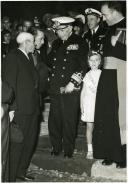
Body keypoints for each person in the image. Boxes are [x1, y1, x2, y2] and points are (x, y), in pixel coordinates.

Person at [47, 16, 88, 158]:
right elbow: (50, 63)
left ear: (70, 28)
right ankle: (56, 147)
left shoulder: (80, 42)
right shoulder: (57, 43)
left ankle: (68, 150)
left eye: (61, 30)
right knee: (55, 119)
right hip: (55, 87)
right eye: (57, 30)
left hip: (70, 87)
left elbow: (84, 65)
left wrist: (73, 82)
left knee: (69, 120)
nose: (58, 32)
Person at [2, 32, 40, 181]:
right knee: (17, 144)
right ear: (25, 42)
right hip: (20, 109)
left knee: (29, 142)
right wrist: (11, 108)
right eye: (32, 42)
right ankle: (10, 176)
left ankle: (20, 172)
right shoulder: (13, 57)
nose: (35, 45)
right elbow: (9, 84)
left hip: (32, 107)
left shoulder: (29, 57)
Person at [81, 50, 123, 167]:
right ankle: (90, 149)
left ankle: (103, 149)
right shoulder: (87, 75)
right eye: (91, 60)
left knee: (102, 128)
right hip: (89, 104)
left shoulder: (103, 73)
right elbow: (83, 91)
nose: (94, 62)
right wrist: (82, 105)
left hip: (100, 104)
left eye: (96, 60)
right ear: (88, 62)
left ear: (100, 62)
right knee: (90, 127)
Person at [101, 1, 126, 168]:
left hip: (123, 74)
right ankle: (111, 152)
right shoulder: (108, 28)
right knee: (108, 114)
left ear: (115, 11)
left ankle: (124, 155)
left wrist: (114, 44)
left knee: (123, 115)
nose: (103, 18)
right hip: (108, 74)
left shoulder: (125, 26)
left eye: (105, 14)